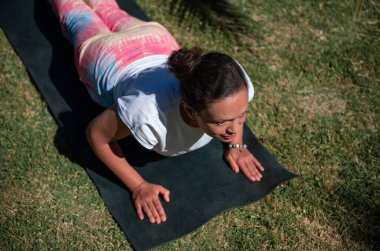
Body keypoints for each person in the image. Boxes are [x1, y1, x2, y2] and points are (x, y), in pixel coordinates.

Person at [50, 0, 264, 225]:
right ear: (190, 109)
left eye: (241, 116)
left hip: (154, 39)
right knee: (71, 10)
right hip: (106, 56)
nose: (234, 127)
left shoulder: (234, 82)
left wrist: (237, 146)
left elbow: (233, 114)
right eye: (222, 122)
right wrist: (139, 185)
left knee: (106, 7)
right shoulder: (146, 114)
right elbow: (96, 134)